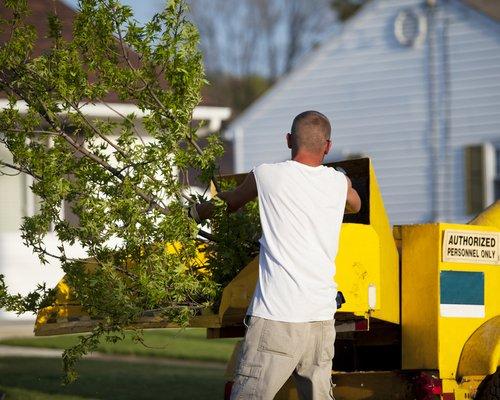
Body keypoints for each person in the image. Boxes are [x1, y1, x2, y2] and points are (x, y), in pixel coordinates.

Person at [191, 110, 361, 400]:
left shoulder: (267, 175)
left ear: (288, 140)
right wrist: (342, 183)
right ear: (328, 147)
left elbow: (229, 203)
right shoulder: (337, 183)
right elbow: (356, 204)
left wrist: (194, 212)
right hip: (320, 320)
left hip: (278, 318)